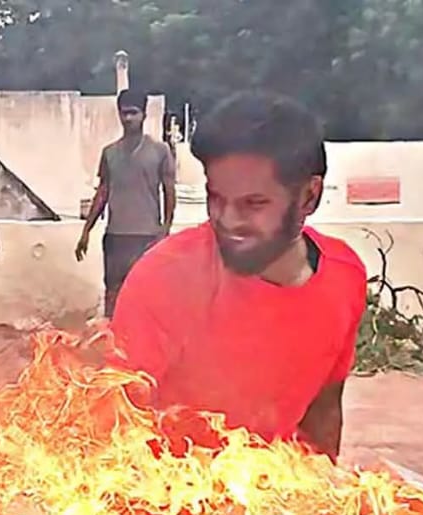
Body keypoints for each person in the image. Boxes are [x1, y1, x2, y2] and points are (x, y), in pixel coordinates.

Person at [110, 92, 367, 459]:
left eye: (253, 204)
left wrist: (319, 501)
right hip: (168, 505)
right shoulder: (163, 278)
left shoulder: (345, 277)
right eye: (215, 198)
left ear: (309, 197)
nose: (228, 220)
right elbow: (117, 430)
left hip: (270, 502)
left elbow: (323, 411)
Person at [76, 88, 177, 317]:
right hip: (115, 236)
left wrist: (165, 229)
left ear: (144, 114)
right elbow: (102, 192)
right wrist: (86, 231)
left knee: (148, 293)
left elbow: (169, 191)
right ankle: (113, 341)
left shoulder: (160, 151)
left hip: (147, 237)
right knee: (113, 291)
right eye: (124, 113)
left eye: (133, 113)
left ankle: (145, 344)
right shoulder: (110, 153)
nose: (128, 118)